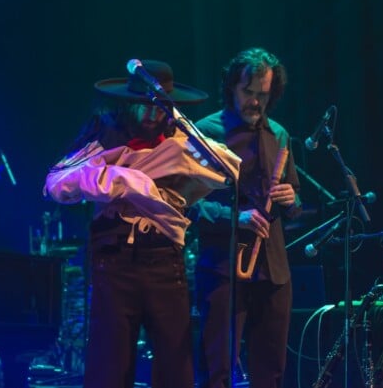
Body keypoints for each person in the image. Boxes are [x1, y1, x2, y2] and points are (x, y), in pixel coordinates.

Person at [44, 60, 240, 388]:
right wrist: (119, 178)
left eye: (159, 108)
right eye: (143, 107)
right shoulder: (104, 138)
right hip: (114, 260)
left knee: (175, 367)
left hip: (165, 261)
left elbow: (228, 172)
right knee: (110, 366)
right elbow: (55, 183)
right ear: (129, 103)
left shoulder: (183, 143)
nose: (151, 115)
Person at [191, 47, 302, 388]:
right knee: (217, 369)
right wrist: (234, 217)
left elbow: (295, 205)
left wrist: (290, 198)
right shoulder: (205, 132)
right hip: (225, 267)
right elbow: (186, 203)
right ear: (232, 88)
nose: (255, 102)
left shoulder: (279, 134)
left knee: (271, 370)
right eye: (248, 92)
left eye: (263, 95)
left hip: (273, 270)